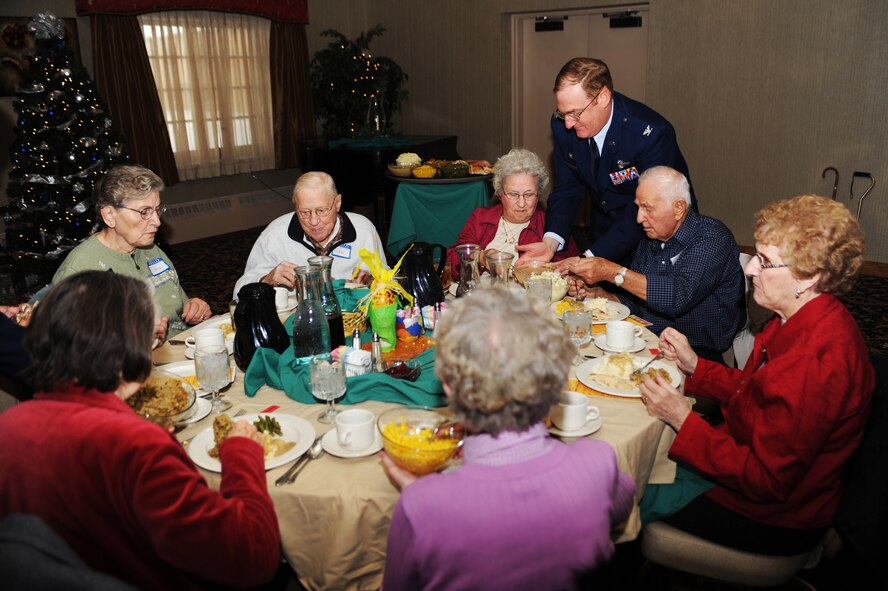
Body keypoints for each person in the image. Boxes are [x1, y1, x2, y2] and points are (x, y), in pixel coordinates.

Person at [0, 271, 281, 590]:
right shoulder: (136, 444)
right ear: (128, 349)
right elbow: (252, 558)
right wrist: (241, 453)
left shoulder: (10, 425)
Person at [638, 195, 875, 555]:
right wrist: (695, 365)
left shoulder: (816, 364)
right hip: (748, 463)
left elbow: (765, 481)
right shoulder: (802, 317)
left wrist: (682, 417)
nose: (749, 270)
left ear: (808, 277)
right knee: (643, 460)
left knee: (621, 490)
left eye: (764, 262)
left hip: (773, 516)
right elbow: (757, 389)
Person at [380, 287, 636, 590]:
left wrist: (422, 496)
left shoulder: (421, 506)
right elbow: (621, 500)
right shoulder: (597, 461)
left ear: (448, 386)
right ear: (555, 379)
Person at [518, 57, 695, 266]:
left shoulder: (650, 135)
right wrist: (550, 242)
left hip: (656, 240)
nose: (567, 123)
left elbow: (649, 210)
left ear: (602, 97)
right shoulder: (563, 125)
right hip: (604, 232)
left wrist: (589, 258)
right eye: (562, 113)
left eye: (574, 113)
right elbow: (567, 189)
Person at [557, 167, 744, 362]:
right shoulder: (651, 239)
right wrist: (600, 295)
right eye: (638, 207)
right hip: (646, 338)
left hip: (698, 354)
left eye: (648, 208)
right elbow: (635, 303)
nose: (639, 218)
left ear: (679, 208)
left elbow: (677, 297)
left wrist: (611, 272)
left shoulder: (712, 239)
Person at [51, 165, 211, 339]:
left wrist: (193, 306)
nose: (157, 221)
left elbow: (178, 306)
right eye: (144, 212)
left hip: (181, 351)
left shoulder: (152, 251)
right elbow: (71, 348)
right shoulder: (80, 271)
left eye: (157, 209)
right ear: (110, 215)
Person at [233, 171, 386, 297]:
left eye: (321, 211)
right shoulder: (274, 235)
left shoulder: (363, 230)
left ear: (337, 203)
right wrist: (266, 280)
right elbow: (238, 295)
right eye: (304, 212)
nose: (313, 221)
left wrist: (373, 281)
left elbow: (392, 283)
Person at [445, 147, 579, 276]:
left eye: (529, 194)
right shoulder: (480, 218)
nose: (521, 204)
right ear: (499, 192)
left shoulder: (553, 227)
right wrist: (481, 257)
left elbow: (573, 269)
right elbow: (453, 264)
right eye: (513, 194)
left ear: (538, 193)